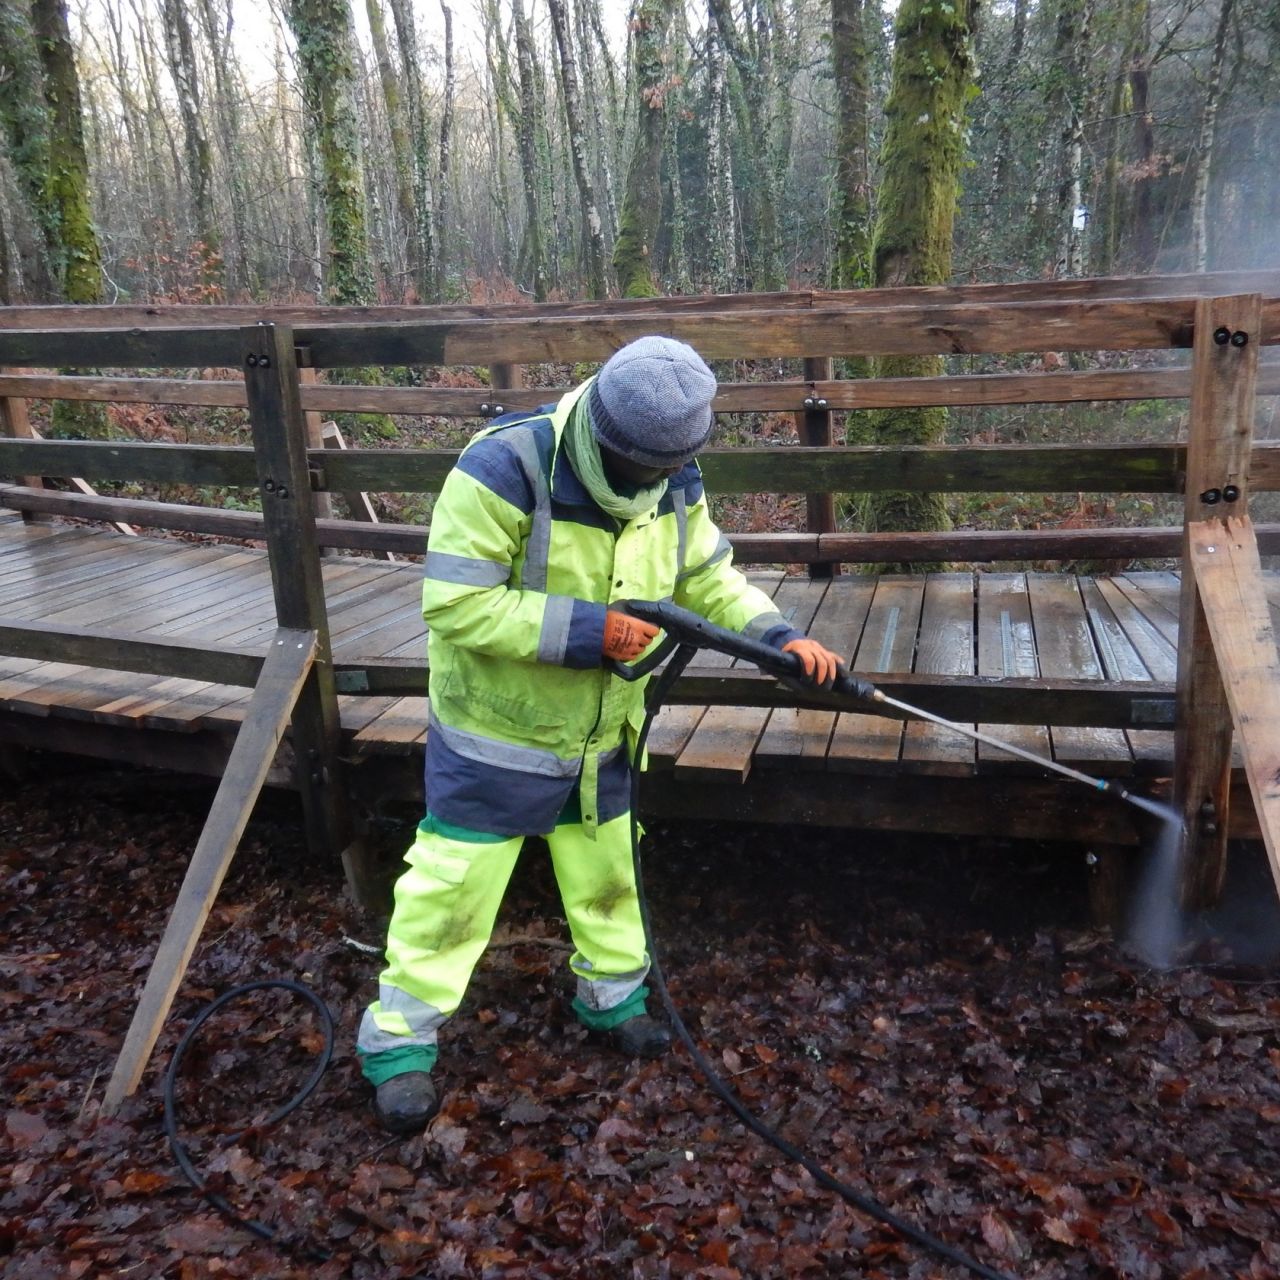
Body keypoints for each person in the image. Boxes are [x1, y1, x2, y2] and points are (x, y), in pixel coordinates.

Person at [358, 335, 843, 1134]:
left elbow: (707, 574)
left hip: (605, 731)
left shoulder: (676, 477)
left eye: (661, 471)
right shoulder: (503, 468)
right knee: (453, 888)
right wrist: (592, 633)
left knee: (607, 875)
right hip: (497, 732)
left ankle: (612, 1000)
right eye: (635, 469)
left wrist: (778, 635)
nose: (647, 484)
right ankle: (399, 1045)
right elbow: (453, 604)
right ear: (608, 441)